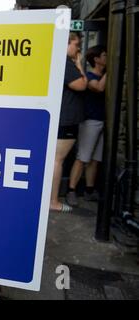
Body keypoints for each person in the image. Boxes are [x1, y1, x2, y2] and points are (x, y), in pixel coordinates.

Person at [50, 32, 88, 213]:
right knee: (57, 160)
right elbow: (81, 84)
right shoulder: (65, 63)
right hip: (66, 119)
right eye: (75, 44)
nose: (78, 48)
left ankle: (51, 199)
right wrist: (80, 65)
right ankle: (53, 201)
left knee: (56, 159)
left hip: (64, 118)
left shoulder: (61, 62)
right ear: (65, 44)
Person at [66, 45, 107, 206]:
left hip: (100, 121)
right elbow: (99, 87)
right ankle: (71, 190)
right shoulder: (89, 77)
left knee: (95, 159)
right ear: (96, 59)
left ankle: (89, 190)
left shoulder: (98, 75)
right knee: (83, 157)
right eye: (104, 55)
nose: (106, 58)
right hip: (90, 121)